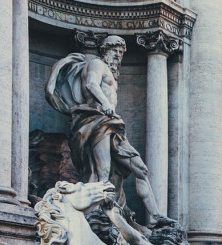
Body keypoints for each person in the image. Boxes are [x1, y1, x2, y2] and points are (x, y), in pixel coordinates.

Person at [46, 35, 162, 226]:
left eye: (121, 53)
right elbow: (91, 84)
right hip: (97, 121)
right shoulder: (97, 65)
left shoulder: (110, 71)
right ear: (105, 50)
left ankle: (156, 217)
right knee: (104, 172)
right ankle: (98, 217)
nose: (118, 56)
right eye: (115, 51)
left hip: (112, 124)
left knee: (141, 169)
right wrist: (106, 104)